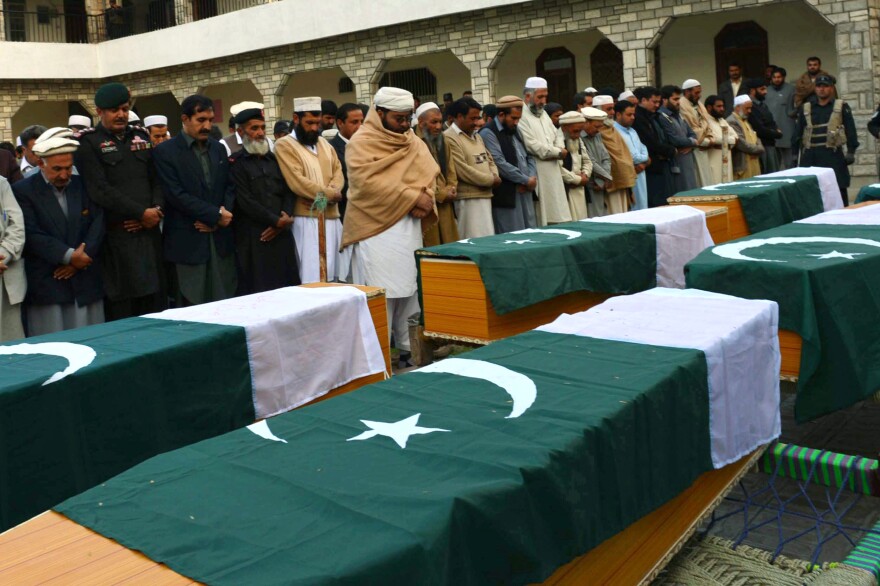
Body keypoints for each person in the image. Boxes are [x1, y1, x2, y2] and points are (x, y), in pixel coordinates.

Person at [342, 86, 439, 368]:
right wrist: (413, 197)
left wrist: (427, 197)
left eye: (408, 117)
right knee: (382, 291)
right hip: (375, 227)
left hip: (408, 226)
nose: (405, 123)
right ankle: (378, 353)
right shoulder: (361, 143)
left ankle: (410, 348)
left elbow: (428, 171)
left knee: (409, 289)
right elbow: (366, 184)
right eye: (399, 118)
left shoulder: (411, 140)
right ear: (380, 113)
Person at [75, 82, 166, 320]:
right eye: (114, 110)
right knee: (124, 308)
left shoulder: (140, 136)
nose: (121, 115)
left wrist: (155, 211)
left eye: (124, 109)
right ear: (99, 112)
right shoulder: (88, 143)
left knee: (155, 304)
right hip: (117, 240)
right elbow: (99, 190)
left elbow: (156, 179)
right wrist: (140, 213)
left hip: (149, 234)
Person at [14, 133, 105, 335]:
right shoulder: (23, 191)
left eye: (68, 168)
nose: (64, 175)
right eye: (57, 169)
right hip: (49, 284)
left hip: (85, 280)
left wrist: (82, 258)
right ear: (40, 163)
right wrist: (69, 256)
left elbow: (98, 223)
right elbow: (31, 233)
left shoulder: (83, 185)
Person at [153, 94, 237, 305]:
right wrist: (214, 215)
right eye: (201, 120)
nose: (207, 126)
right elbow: (175, 194)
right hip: (188, 241)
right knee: (193, 305)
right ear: (185, 119)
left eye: (210, 120)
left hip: (219, 241)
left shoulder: (217, 149)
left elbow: (229, 185)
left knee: (224, 301)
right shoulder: (166, 152)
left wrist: (223, 215)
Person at [228, 103, 299, 294]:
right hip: (255, 238)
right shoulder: (236, 163)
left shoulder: (274, 159)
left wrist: (284, 218)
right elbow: (245, 201)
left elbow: (289, 190)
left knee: (288, 290)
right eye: (254, 128)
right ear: (241, 132)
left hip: (281, 234)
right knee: (260, 291)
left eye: (262, 128)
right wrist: (275, 221)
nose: (260, 133)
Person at [275, 96, 347, 283]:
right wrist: (331, 194)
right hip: (307, 220)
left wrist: (330, 193)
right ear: (296, 119)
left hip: (332, 218)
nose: (315, 128)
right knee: (312, 278)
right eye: (309, 123)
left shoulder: (324, 143)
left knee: (335, 277)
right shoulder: (284, 145)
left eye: (317, 122)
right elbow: (298, 182)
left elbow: (338, 172)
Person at [793, 74, 858, 206]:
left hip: (832, 155)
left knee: (838, 190)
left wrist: (851, 151)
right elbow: (798, 133)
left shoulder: (841, 107)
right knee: (811, 191)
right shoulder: (807, 107)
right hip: (811, 156)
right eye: (818, 86)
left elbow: (851, 130)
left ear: (831, 88)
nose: (821, 89)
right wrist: (794, 154)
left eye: (825, 86)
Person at [443, 97, 500, 239]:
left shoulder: (477, 136)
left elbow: (489, 159)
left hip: (485, 195)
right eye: (473, 118)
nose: (477, 123)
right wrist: (490, 180)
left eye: (478, 118)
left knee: (487, 239)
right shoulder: (449, 138)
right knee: (472, 239)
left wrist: (494, 175)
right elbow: (462, 170)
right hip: (468, 199)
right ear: (459, 117)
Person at [480, 95, 537, 233]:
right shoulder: (488, 132)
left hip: (525, 190)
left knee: (530, 233)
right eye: (514, 118)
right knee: (513, 236)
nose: (517, 122)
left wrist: (532, 177)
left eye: (519, 118)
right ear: (501, 114)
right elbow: (499, 163)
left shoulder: (516, 130)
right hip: (508, 195)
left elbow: (530, 156)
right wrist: (525, 179)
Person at [517, 76, 570, 225]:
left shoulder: (543, 113)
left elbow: (556, 133)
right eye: (540, 97)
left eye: (545, 96)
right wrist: (557, 152)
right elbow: (530, 144)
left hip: (553, 169)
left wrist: (560, 147)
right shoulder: (521, 115)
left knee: (558, 214)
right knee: (543, 217)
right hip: (538, 169)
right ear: (528, 96)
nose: (543, 101)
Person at [416, 102, 459, 245]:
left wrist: (452, 188)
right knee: (431, 248)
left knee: (449, 245)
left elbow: (451, 169)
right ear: (421, 123)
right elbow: (416, 177)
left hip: (446, 204)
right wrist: (440, 194)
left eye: (440, 122)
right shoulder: (413, 142)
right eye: (434, 122)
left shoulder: (443, 139)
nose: (439, 126)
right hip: (427, 205)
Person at [633, 86, 676, 207]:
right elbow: (649, 141)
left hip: (658, 164)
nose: (657, 105)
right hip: (649, 165)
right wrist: (670, 150)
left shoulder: (652, 115)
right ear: (643, 100)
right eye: (654, 102)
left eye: (659, 102)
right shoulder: (638, 118)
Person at [593, 95, 635, 214]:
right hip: (609, 182)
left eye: (613, 109)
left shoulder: (612, 128)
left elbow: (623, 153)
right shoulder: (596, 132)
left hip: (623, 180)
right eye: (608, 109)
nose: (612, 112)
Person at [658, 85, 698, 192]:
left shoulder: (679, 115)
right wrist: (692, 142)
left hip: (688, 160)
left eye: (678, 99)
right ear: (665, 100)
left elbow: (693, 134)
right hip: (677, 161)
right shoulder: (662, 117)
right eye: (675, 99)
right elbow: (674, 140)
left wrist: (691, 144)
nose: (678, 102)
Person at [0, 176, 26, 341]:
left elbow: (17, 226)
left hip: (4, 273)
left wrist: (4, 254)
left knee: (10, 350)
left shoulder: (1, 183)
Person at [329, 102, 364, 220]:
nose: (360, 127)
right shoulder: (331, 149)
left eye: (362, 122)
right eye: (354, 122)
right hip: (346, 216)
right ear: (340, 123)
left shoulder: (369, 146)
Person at [614, 100, 650, 211]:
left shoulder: (633, 131)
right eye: (629, 114)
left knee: (643, 207)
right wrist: (644, 159)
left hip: (641, 174)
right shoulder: (614, 132)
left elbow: (644, 149)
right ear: (618, 114)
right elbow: (633, 157)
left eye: (633, 114)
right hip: (627, 175)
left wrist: (643, 160)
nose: (633, 117)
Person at [557, 111, 592, 220]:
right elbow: (557, 168)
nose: (578, 135)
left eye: (580, 131)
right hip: (566, 189)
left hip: (580, 188)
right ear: (564, 128)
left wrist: (585, 175)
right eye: (575, 131)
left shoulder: (578, 139)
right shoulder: (557, 142)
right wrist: (576, 179)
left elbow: (587, 161)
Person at [679, 79, 712, 187]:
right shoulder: (681, 105)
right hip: (693, 149)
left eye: (700, 92)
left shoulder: (699, 105)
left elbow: (706, 124)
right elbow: (691, 128)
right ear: (687, 92)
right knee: (697, 181)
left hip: (703, 149)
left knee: (706, 180)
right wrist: (703, 133)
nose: (699, 95)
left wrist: (703, 130)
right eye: (696, 93)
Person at [581, 107, 614, 218]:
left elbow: (606, 158)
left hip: (600, 183)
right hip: (590, 185)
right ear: (586, 123)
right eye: (596, 126)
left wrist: (602, 180)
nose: (598, 130)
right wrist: (607, 178)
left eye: (600, 127)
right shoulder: (580, 138)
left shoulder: (597, 136)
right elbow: (591, 162)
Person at [746, 78, 783, 174]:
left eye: (765, 89)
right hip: (761, 147)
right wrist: (776, 133)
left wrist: (775, 130)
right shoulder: (751, 107)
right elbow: (759, 129)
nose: (765, 92)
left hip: (770, 145)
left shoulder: (763, 105)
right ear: (752, 91)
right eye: (762, 89)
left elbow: (771, 122)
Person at [764, 67, 797, 170]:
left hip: (788, 129)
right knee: (774, 165)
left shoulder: (791, 89)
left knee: (790, 163)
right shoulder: (766, 90)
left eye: (779, 77)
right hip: (772, 131)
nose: (776, 79)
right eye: (774, 77)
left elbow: (797, 106)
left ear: (783, 77)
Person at [727, 95, 764, 180]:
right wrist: (759, 149)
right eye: (747, 108)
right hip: (743, 166)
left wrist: (759, 146)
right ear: (737, 107)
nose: (749, 111)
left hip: (754, 162)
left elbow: (755, 137)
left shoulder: (745, 120)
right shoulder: (732, 121)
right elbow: (741, 143)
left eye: (750, 108)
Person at [704, 95, 736, 184]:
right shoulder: (704, 121)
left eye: (723, 106)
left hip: (727, 160)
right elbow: (713, 139)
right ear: (709, 107)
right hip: (714, 161)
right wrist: (727, 141)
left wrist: (723, 142)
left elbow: (736, 138)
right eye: (718, 106)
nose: (722, 109)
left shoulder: (722, 120)